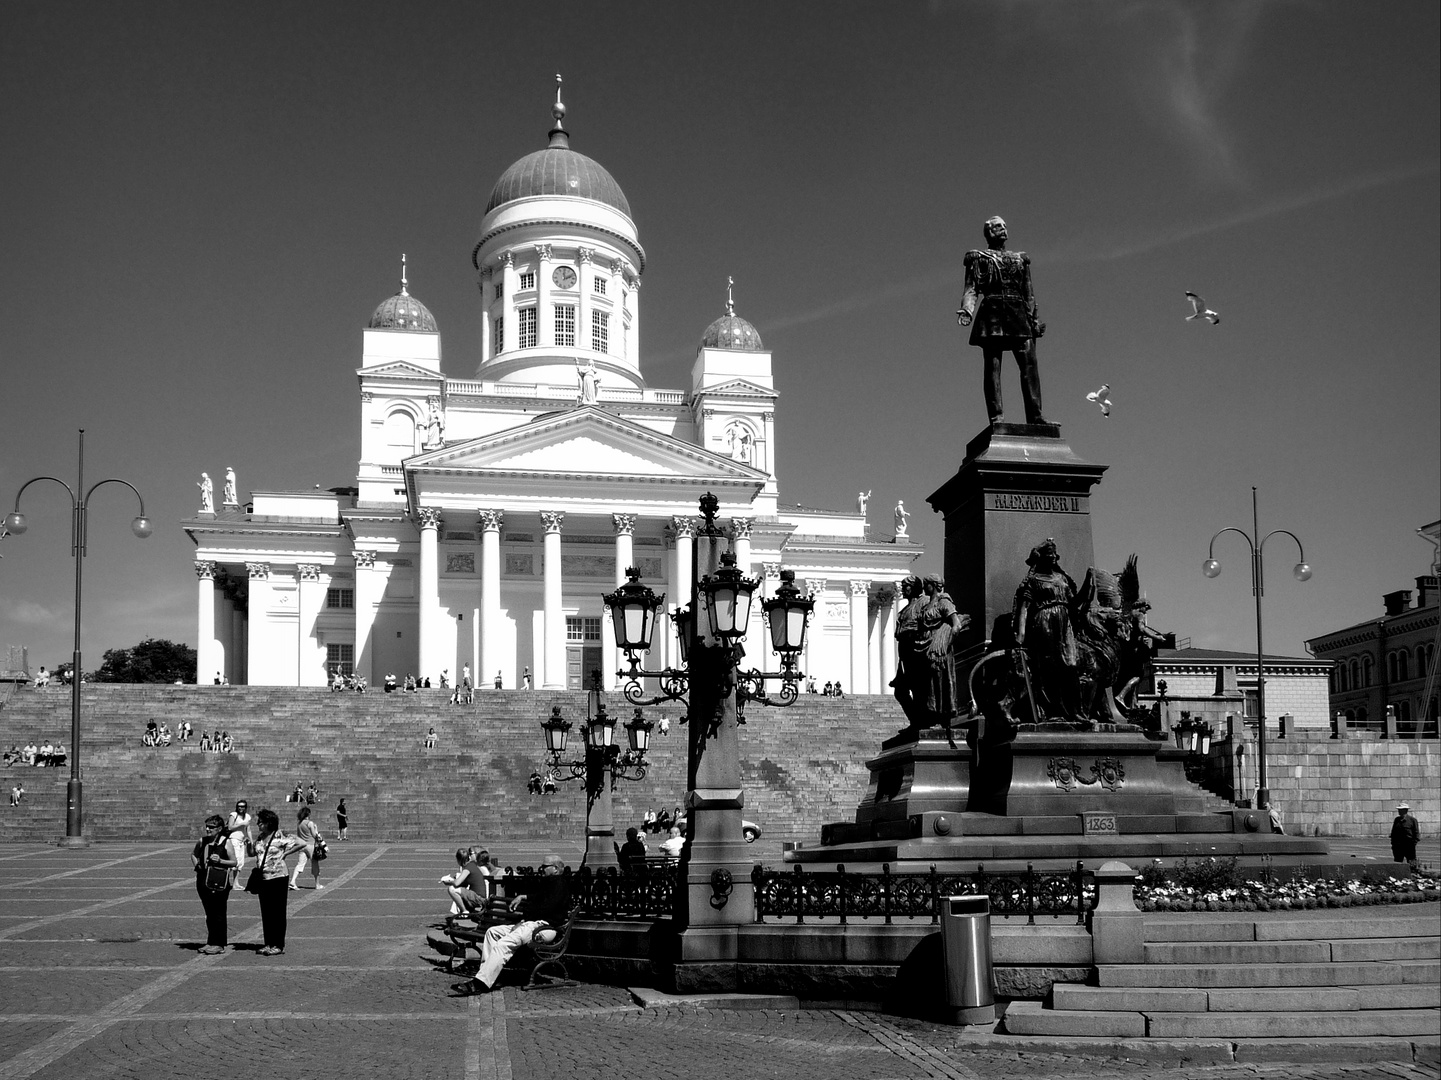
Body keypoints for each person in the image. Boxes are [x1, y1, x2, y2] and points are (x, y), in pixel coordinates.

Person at [957, 215, 1047, 425]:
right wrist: (967, 310)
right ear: (989, 232)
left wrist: (1034, 320)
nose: (1003, 229)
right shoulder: (978, 258)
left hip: (1018, 312)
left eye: (1005, 226)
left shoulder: (1020, 259)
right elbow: (971, 288)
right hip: (993, 312)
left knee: (1029, 364)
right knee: (993, 366)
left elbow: (1029, 293)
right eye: (998, 227)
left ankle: (1036, 416)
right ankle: (997, 417)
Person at [456, 854, 570, 994]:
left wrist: (523, 921)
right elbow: (540, 898)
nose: (541, 869)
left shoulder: (559, 884)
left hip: (544, 927)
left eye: (545, 867)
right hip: (532, 925)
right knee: (492, 932)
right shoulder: (552, 882)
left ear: (556, 869)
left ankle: (480, 983)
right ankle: (489, 977)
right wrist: (524, 896)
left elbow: (546, 908)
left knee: (503, 943)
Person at [248, 808, 308, 955]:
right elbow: (252, 853)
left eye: (260, 822)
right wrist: (248, 843)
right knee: (266, 912)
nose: (258, 824)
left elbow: (302, 843)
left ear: (269, 822)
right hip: (263, 878)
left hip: (279, 877)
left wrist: (286, 853)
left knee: (278, 912)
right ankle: (268, 943)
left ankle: (278, 945)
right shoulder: (261, 837)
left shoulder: (281, 835)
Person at [192, 813, 237, 954]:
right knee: (209, 913)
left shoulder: (226, 842)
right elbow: (194, 854)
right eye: (207, 826)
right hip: (203, 880)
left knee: (218, 913)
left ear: (219, 828)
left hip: (219, 882)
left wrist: (221, 861)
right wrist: (198, 866)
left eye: (211, 827)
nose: (208, 829)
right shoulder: (202, 841)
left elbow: (234, 862)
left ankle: (219, 944)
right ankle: (211, 941)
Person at [441, 847, 487, 918]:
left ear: (459, 859)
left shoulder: (468, 868)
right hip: (478, 896)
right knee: (457, 890)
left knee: (452, 889)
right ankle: (466, 910)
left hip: (478, 897)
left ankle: (465, 911)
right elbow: (464, 884)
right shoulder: (471, 865)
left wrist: (449, 881)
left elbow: (457, 883)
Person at [290, 806, 323, 890]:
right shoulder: (310, 823)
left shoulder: (299, 823)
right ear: (308, 814)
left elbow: (298, 835)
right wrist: (316, 829)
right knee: (315, 864)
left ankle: (293, 881)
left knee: (300, 864)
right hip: (310, 845)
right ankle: (317, 884)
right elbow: (314, 835)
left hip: (301, 845)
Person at [225, 800, 254, 879]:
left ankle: (235, 882)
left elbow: (248, 830)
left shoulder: (247, 816)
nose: (241, 808)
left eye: (243, 806)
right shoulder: (233, 815)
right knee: (235, 861)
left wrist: (251, 841)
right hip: (234, 839)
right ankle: (224, 879)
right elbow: (230, 827)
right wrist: (241, 824)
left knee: (240, 862)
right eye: (239, 806)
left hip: (242, 840)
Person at [1391, 802, 1421, 869]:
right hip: (1398, 845)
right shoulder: (1397, 820)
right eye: (1399, 810)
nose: (1399, 811)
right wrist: (1393, 843)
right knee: (1397, 862)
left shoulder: (1412, 820)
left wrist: (1413, 843)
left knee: (1411, 862)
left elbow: (1416, 833)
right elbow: (1393, 832)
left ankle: (1413, 875)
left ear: (1405, 810)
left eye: (1401, 810)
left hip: (1409, 844)